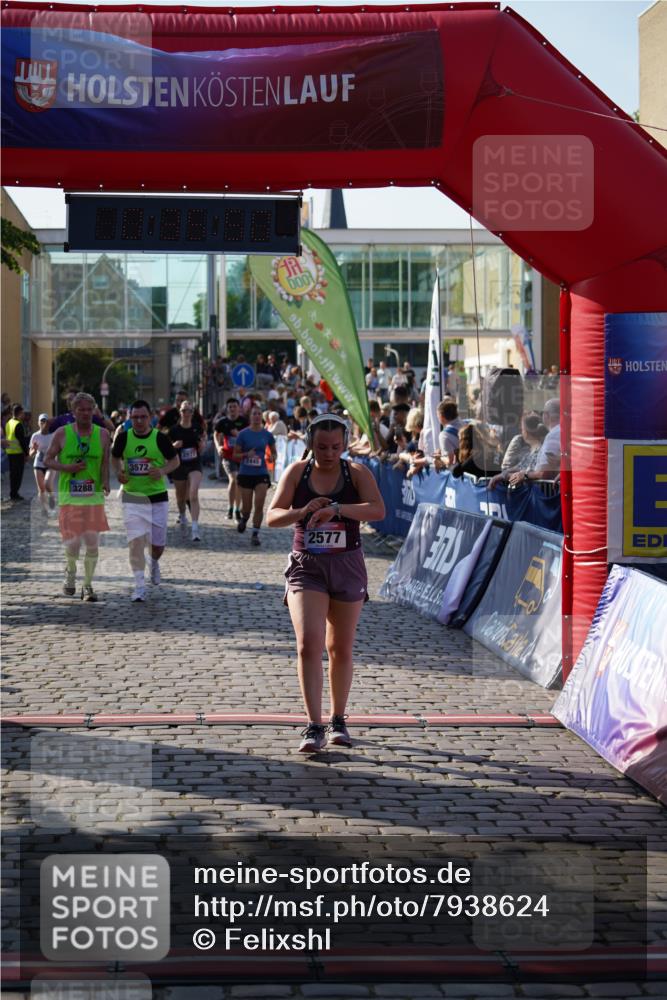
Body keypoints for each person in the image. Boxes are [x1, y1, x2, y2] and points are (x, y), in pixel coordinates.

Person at [267, 414, 385, 752]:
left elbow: (378, 511)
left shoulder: (357, 473)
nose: (328, 453)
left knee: (340, 648)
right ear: (310, 443)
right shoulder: (297, 472)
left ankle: (338, 718)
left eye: (335, 447)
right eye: (321, 447)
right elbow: (273, 516)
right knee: (309, 643)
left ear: (345, 443)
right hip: (308, 565)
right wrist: (302, 511)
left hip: (347, 564)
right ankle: (313, 725)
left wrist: (338, 509)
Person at [111, 399, 180, 602]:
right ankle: (139, 586)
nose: (139, 421)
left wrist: (162, 471)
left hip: (157, 498)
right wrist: (118, 472)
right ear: (130, 419)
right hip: (132, 497)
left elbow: (175, 461)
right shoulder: (123, 438)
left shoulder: (160, 438)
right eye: (135, 417)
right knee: (135, 542)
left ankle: (154, 561)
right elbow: (114, 457)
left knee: (157, 545)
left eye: (143, 417)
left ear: (150, 418)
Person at [44, 392, 110, 601]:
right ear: (73, 412)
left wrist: (106, 481)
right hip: (69, 497)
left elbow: (105, 462)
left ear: (94, 411)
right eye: (81, 409)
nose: (85, 413)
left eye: (89, 409)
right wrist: (67, 467)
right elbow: (48, 460)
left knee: (92, 543)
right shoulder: (62, 433)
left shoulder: (103, 434)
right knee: (73, 544)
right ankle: (70, 572)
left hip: (93, 497)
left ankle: (88, 585)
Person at [233, 405, 277, 547]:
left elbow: (274, 452)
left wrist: (272, 458)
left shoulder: (267, 434)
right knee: (247, 508)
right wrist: (246, 454)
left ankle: (255, 534)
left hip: (261, 474)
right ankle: (244, 519)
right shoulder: (243, 434)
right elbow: (235, 455)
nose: (257, 416)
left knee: (259, 505)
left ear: (261, 417)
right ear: (250, 416)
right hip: (246, 473)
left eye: (259, 414)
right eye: (254, 414)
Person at [169, 400, 206, 541]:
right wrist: (174, 445)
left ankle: (195, 528)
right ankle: (182, 514)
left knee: (193, 494)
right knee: (181, 497)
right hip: (178, 465)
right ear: (180, 412)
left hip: (194, 464)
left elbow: (201, 449)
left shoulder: (197, 428)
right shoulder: (174, 430)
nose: (186, 413)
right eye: (184, 410)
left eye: (189, 410)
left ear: (192, 413)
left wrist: (202, 445)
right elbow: (167, 449)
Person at [214, 398, 248, 520]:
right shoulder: (222, 422)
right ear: (227, 409)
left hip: (241, 456)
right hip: (228, 456)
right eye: (230, 407)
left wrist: (238, 435)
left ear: (239, 408)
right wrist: (218, 446)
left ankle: (237, 509)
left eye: (234, 406)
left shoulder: (244, 421)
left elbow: (249, 436)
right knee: (234, 479)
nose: (232, 409)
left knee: (238, 482)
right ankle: (230, 507)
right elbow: (216, 434)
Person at [29, 413, 56, 514]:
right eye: (42, 421)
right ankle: (44, 509)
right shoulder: (35, 436)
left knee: (47, 484)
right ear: (38, 423)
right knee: (41, 489)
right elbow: (30, 454)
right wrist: (34, 450)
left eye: (45, 421)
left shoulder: (53, 435)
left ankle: (52, 496)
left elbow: (59, 449)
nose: (43, 423)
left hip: (51, 463)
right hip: (38, 463)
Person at [4, 403, 29, 501]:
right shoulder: (18, 424)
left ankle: (12, 493)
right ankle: (15, 494)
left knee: (12, 475)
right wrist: (26, 454)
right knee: (18, 475)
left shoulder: (9, 422)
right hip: (18, 453)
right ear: (20, 413)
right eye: (23, 413)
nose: (24, 415)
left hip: (9, 452)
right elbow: (22, 441)